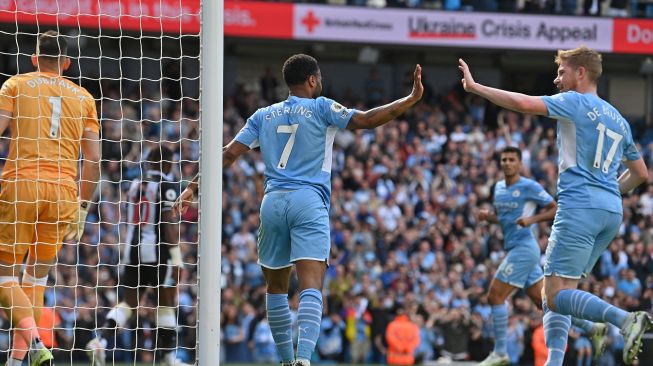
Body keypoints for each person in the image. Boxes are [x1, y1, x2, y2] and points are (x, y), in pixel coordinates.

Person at [174, 54, 423, 366]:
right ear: (312, 80)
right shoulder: (321, 107)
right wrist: (411, 98)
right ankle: (303, 359)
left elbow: (227, 154)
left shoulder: (263, 115)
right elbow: (367, 119)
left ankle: (284, 360)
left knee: (275, 288)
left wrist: (191, 187)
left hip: (273, 203)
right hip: (308, 200)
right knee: (311, 284)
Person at [459, 46, 650, 366]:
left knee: (554, 294)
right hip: (610, 212)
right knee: (560, 292)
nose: (556, 78)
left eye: (562, 72)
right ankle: (558, 359)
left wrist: (477, 87)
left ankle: (624, 320)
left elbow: (521, 103)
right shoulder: (619, 119)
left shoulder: (574, 102)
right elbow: (641, 173)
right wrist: (610, 192)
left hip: (580, 209)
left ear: (581, 73)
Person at [0, 30, 101, 366]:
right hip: (64, 194)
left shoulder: (15, 85)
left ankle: (36, 343)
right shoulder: (85, 97)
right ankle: (18, 360)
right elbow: (95, 161)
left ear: (33, 58)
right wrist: (83, 207)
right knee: (36, 278)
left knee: (4, 277)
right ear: (67, 62)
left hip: (22, 185)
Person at [477, 146, 607, 366]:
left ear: (519, 163)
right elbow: (503, 217)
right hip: (514, 248)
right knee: (547, 303)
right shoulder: (498, 188)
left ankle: (500, 352)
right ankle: (592, 327)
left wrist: (532, 220)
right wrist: (488, 217)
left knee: (495, 296)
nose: (507, 163)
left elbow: (554, 208)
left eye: (511, 159)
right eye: (504, 160)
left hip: (525, 249)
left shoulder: (529, 186)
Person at [86, 146, 190, 366]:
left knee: (128, 304)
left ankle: (101, 340)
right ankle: (169, 359)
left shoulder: (134, 185)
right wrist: (177, 257)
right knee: (166, 304)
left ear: (149, 162)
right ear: (168, 164)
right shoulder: (168, 185)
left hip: (132, 252)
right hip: (159, 254)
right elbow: (168, 224)